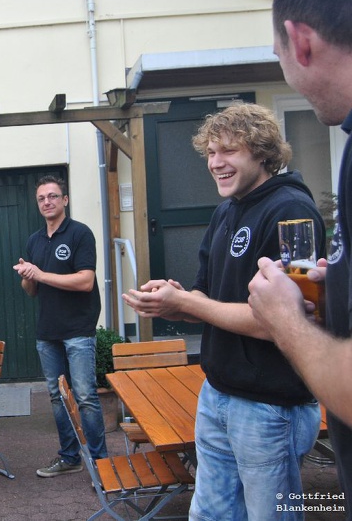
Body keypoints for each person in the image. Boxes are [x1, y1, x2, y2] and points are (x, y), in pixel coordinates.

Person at [123, 103, 324, 518]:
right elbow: (208, 298)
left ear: (262, 153)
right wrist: (176, 303)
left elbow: (287, 324)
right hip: (217, 393)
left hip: (271, 406)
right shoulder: (225, 212)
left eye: (229, 151)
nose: (216, 163)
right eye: (211, 153)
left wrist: (189, 303)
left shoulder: (291, 211)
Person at [247, 0, 352, 518]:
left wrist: (285, 320)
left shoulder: (288, 204)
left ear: (300, 41)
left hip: (275, 403)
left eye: (277, 53)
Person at [13, 175, 107, 478]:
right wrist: (28, 276)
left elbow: (85, 281)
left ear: (65, 200)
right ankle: (69, 457)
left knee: (85, 397)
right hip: (48, 331)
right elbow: (32, 291)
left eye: (53, 196)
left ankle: (101, 464)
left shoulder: (80, 233)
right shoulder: (35, 240)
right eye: (41, 198)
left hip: (78, 328)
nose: (47, 202)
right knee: (57, 396)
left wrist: (40, 274)